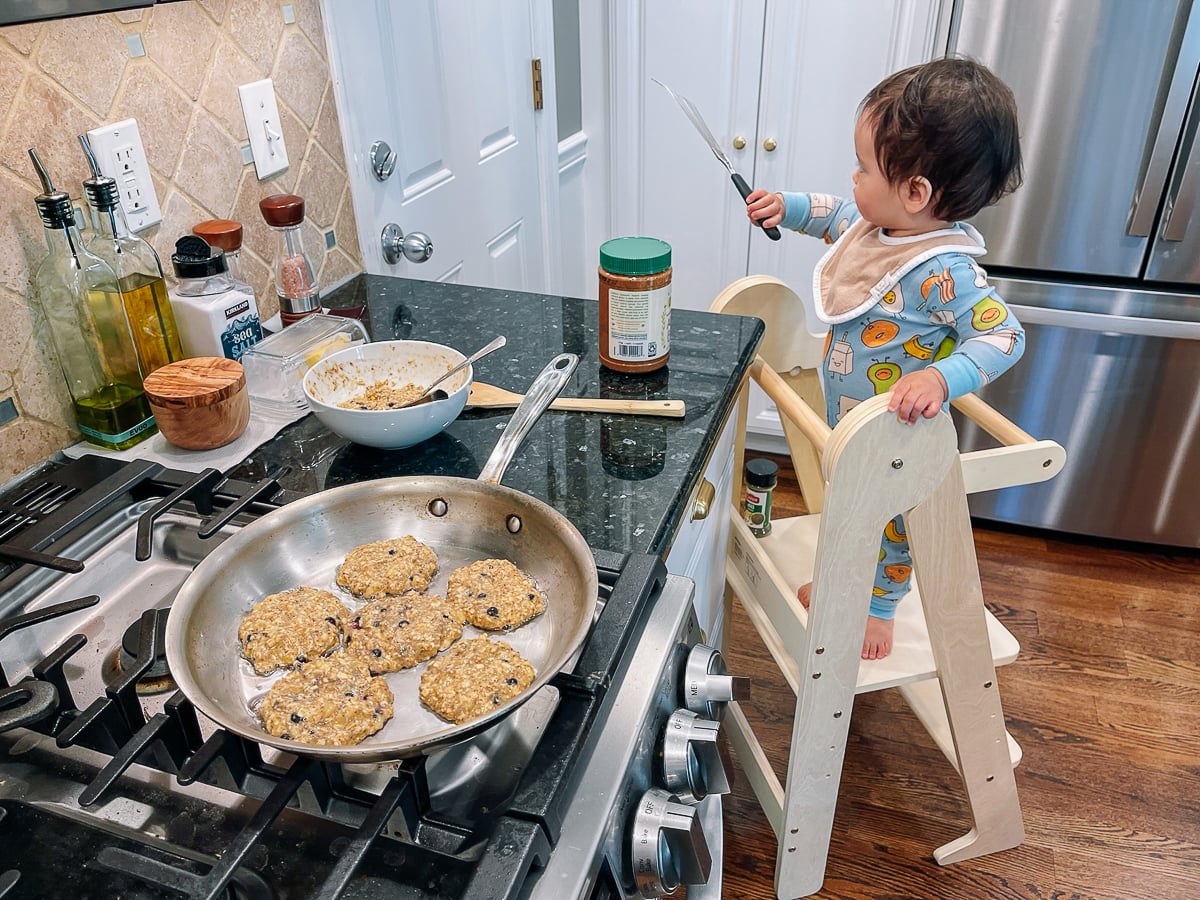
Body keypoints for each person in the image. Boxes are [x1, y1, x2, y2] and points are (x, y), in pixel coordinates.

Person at [744, 56, 1025, 660]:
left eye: (864, 168)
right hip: (854, 425)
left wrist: (939, 376)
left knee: (893, 527)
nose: (853, 179)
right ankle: (845, 581)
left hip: (900, 432)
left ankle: (878, 609)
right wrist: (782, 206)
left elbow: (1005, 336)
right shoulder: (883, 228)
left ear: (916, 192)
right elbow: (834, 216)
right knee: (848, 509)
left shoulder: (943, 269)